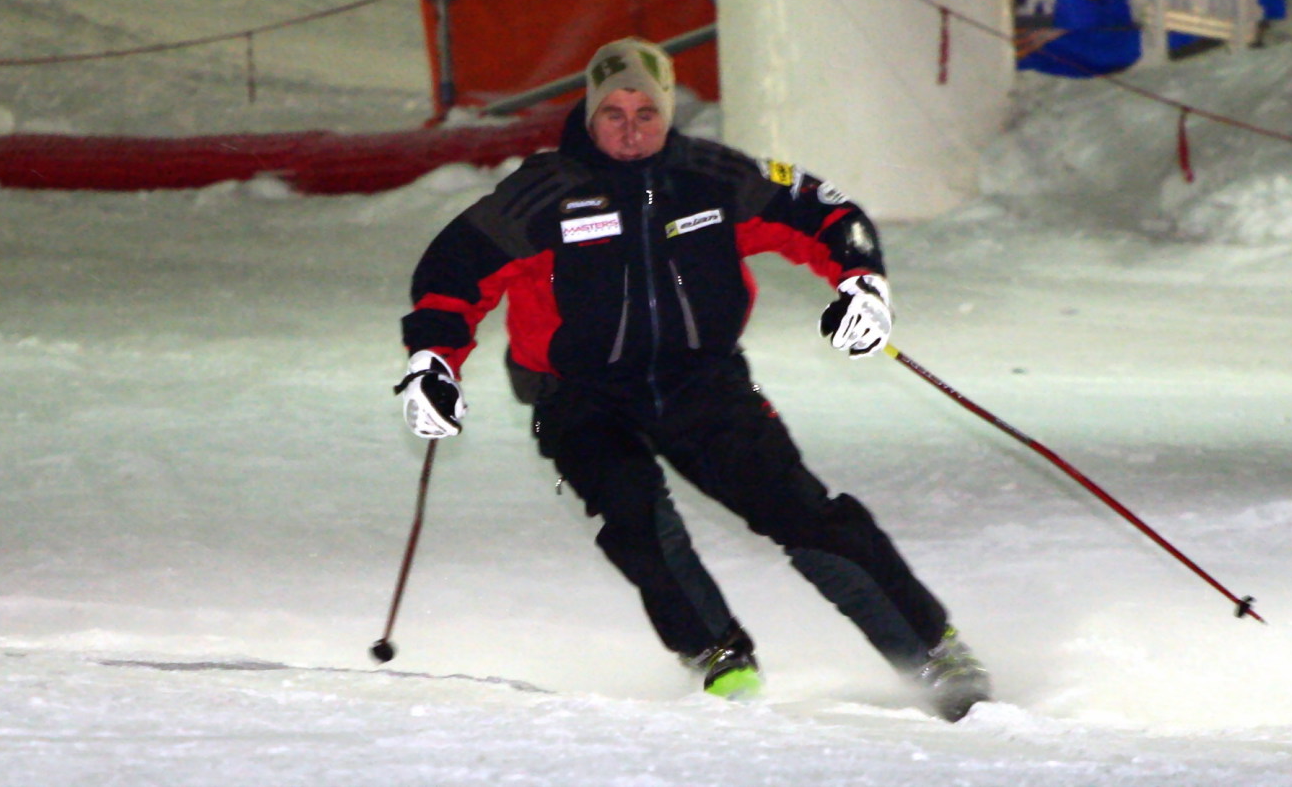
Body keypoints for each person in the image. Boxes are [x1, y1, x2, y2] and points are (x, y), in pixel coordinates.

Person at [396, 37, 990, 720]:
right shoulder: (544, 194)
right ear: (588, 114)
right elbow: (452, 274)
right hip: (579, 395)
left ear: (668, 111)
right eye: (611, 113)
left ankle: (932, 652)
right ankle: (716, 653)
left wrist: (862, 286)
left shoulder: (711, 177)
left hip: (700, 382)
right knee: (632, 515)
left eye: (645, 111)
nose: (629, 127)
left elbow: (827, 214)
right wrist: (432, 362)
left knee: (798, 511)